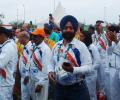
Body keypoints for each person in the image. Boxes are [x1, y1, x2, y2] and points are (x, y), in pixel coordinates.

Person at [48, 15, 92, 100]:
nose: (68, 30)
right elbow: (51, 63)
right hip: (59, 89)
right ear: (62, 29)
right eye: (66, 27)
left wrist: (73, 70)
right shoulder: (56, 46)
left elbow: (89, 67)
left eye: (71, 28)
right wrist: (50, 72)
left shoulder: (81, 46)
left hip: (77, 90)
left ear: (74, 30)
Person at [30, 28, 52, 100]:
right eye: (33, 35)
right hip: (33, 79)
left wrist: (40, 84)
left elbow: (46, 68)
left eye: (36, 36)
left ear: (42, 37)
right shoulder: (35, 47)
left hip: (41, 81)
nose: (33, 37)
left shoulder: (45, 49)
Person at [80, 31, 101, 100]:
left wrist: (89, 69)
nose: (80, 38)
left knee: (91, 95)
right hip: (81, 76)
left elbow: (98, 62)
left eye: (82, 36)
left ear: (86, 37)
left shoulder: (92, 47)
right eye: (80, 36)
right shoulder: (81, 47)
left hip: (90, 76)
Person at [0, 27, 18, 100]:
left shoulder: (8, 47)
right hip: (5, 81)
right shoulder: (7, 45)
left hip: (5, 83)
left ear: (2, 35)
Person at [18, 31, 33, 100]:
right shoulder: (24, 47)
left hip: (29, 77)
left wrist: (27, 75)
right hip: (23, 76)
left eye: (19, 38)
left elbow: (30, 62)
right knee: (24, 96)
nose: (18, 40)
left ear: (24, 37)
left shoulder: (31, 47)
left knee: (32, 96)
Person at [106, 25, 120, 100]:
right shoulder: (112, 38)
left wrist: (116, 41)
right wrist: (109, 43)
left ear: (114, 32)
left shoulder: (116, 38)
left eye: (109, 31)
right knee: (114, 93)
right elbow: (109, 53)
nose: (108, 33)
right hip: (113, 69)